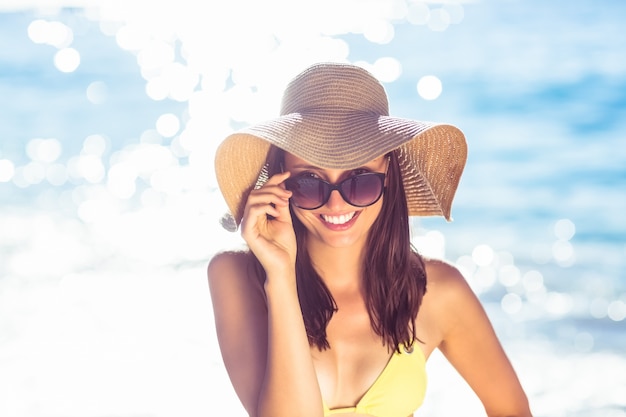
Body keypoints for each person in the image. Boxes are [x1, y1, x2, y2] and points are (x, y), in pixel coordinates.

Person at [208, 62, 532, 417]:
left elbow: (512, 410)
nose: (336, 203)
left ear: (389, 175)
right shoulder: (236, 275)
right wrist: (281, 276)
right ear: (280, 183)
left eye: (359, 178)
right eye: (309, 181)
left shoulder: (440, 292)